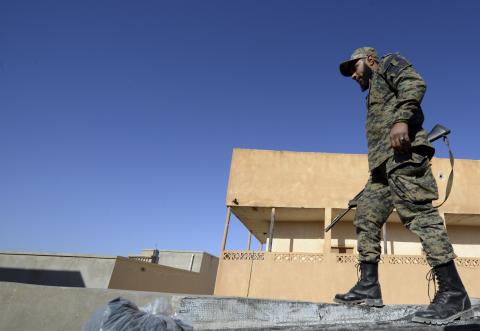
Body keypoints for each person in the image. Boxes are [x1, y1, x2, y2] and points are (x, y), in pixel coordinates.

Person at [336, 47, 472, 325]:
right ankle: (369, 286)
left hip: (404, 155)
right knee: (365, 216)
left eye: (354, 66)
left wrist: (402, 120)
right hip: (382, 168)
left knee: (419, 215)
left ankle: (454, 293)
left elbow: (414, 82)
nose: (352, 74)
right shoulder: (372, 92)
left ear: (369, 60)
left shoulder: (387, 63)